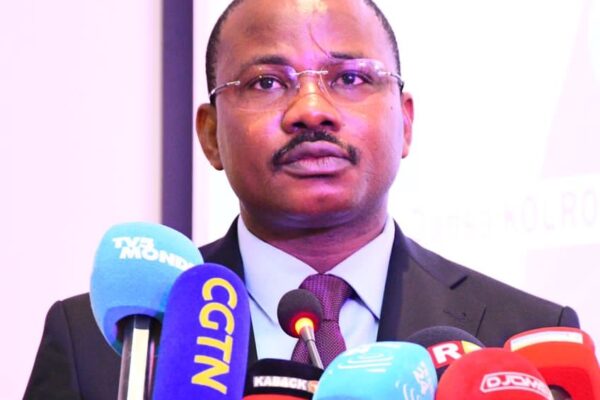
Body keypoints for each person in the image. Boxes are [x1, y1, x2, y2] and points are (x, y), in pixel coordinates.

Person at [25, 0, 579, 398]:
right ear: (210, 135)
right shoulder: (103, 343)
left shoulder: (519, 338)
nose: (312, 110)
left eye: (351, 78)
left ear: (406, 122)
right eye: (267, 82)